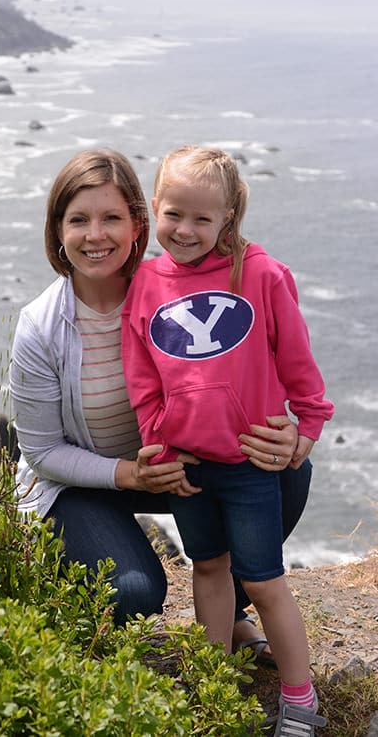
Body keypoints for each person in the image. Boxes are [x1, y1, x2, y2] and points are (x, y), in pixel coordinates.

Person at [9, 147, 309, 648]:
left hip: (176, 466)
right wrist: (131, 474)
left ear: (137, 222)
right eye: (78, 219)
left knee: (288, 475)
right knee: (132, 592)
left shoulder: (173, 289)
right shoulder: (40, 327)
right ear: (58, 230)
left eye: (111, 218)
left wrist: (292, 428)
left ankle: (229, 612)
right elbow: (40, 453)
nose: (96, 235)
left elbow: (249, 362)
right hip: (86, 484)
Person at [122, 145, 334, 735]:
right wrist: (158, 444)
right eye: (173, 214)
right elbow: (142, 377)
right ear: (154, 210)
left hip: (247, 464)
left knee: (264, 580)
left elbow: (298, 364)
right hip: (187, 465)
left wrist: (309, 425)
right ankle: (212, 684)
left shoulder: (261, 275)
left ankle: (300, 702)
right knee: (208, 569)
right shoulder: (144, 283)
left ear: (228, 219)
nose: (184, 230)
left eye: (201, 218)